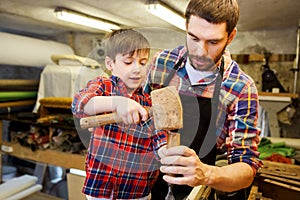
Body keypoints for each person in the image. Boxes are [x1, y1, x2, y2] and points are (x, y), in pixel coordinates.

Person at [144, 0, 263, 199]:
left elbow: (246, 169)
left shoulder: (241, 88)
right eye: (194, 38)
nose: (200, 52)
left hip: (201, 192)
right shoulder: (162, 63)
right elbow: (144, 117)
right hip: (151, 187)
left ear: (230, 36)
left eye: (213, 42)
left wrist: (206, 173)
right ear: (186, 27)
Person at [71, 29, 167, 200]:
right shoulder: (103, 86)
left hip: (136, 188)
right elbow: (80, 103)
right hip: (102, 185)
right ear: (110, 64)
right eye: (128, 62)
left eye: (143, 62)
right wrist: (118, 102)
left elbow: (159, 139)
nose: (137, 69)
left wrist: (167, 152)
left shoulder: (149, 102)